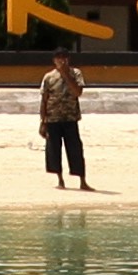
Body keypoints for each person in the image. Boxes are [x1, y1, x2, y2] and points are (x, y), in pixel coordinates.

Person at [37, 47, 90, 189]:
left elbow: (77, 92)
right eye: (58, 57)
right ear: (54, 60)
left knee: (75, 149)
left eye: (64, 57)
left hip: (70, 118)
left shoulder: (76, 73)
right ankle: (60, 180)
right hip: (53, 119)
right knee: (54, 150)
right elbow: (44, 99)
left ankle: (82, 181)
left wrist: (66, 74)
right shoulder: (48, 77)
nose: (61, 60)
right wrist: (43, 122)